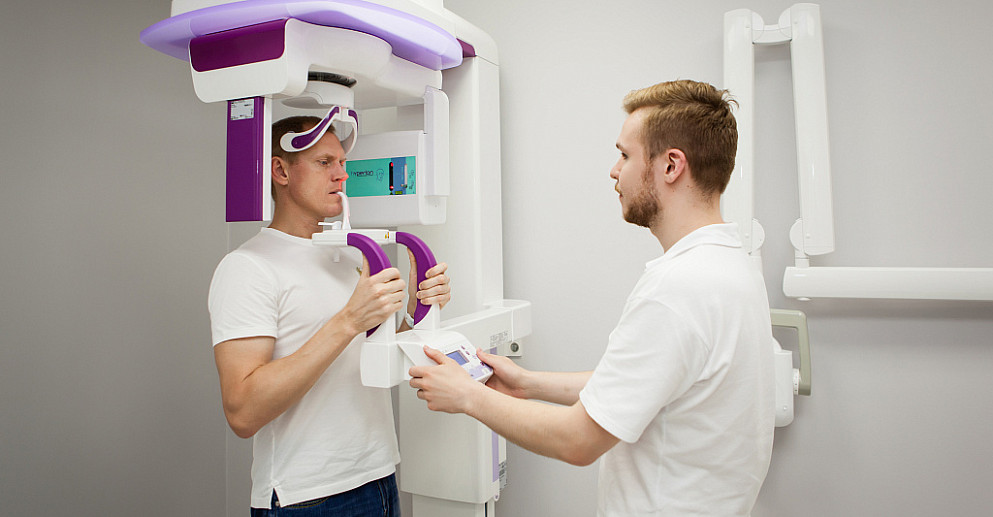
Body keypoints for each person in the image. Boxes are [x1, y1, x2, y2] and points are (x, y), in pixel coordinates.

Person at [409, 80, 776, 516]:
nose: (614, 171)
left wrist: (468, 397)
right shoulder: (732, 265)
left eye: (625, 155)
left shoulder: (678, 289)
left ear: (671, 165)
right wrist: (527, 385)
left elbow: (578, 440)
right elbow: (644, 384)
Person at [208, 116, 451, 516]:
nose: (342, 175)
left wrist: (416, 310)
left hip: (378, 476)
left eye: (342, 163)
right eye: (324, 163)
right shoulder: (247, 267)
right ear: (280, 171)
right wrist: (348, 320)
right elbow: (243, 411)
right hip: (307, 496)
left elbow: (375, 353)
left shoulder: (349, 252)